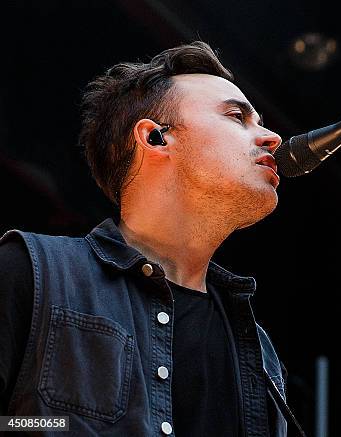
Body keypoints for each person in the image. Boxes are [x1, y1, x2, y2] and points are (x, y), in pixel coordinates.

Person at [0, 41, 291, 436]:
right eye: (237, 117)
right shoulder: (28, 271)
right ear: (155, 138)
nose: (271, 137)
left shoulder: (262, 357)